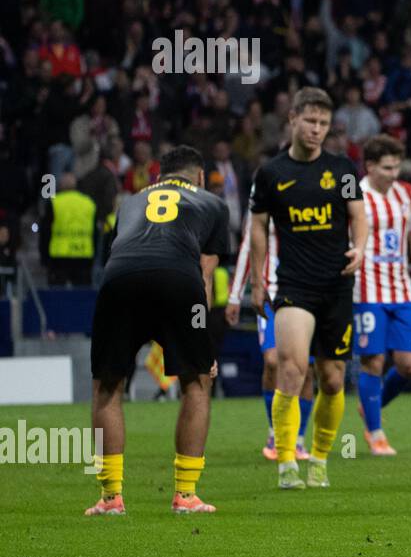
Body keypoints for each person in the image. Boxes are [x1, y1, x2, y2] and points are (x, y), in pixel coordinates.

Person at [85, 145, 230, 515]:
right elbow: (206, 274)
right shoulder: (213, 203)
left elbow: (118, 249)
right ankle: (185, 495)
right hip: (180, 281)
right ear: (199, 177)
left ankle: (110, 498)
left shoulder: (130, 202)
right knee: (196, 382)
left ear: (159, 177)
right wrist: (204, 344)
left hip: (120, 280)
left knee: (107, 385)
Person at [248, 88, 368, 490]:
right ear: (293, 119)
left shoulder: (344, 170)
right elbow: (258, 230)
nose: (317, 130)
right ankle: (285, 463)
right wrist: (257, 280)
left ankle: (318, 459)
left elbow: (358, 215)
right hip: (294, 285)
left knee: (332, 379)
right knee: (292, 369)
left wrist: (362, 246)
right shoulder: (271, 174)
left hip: (336, 286)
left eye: (323, 124)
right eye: (310, 121)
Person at [353, 134, 411, 455]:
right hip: (366, 290)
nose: (393, 174)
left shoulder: (409, 194)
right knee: (372, 360)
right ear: (370, 166)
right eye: (387, 168)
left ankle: (370, 405)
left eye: (396, 167)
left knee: (410, 365)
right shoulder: (355, 195)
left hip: (401, 289)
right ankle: (376, 433)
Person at [226, 201, 314, 461]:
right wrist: (235, 295)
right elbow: (247, 245)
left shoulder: (318, 186)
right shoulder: (264, 189)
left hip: (307, 292)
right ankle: (275, 431)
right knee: (273, 361)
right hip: (272, 295)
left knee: (308, 369)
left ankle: (297, 439)